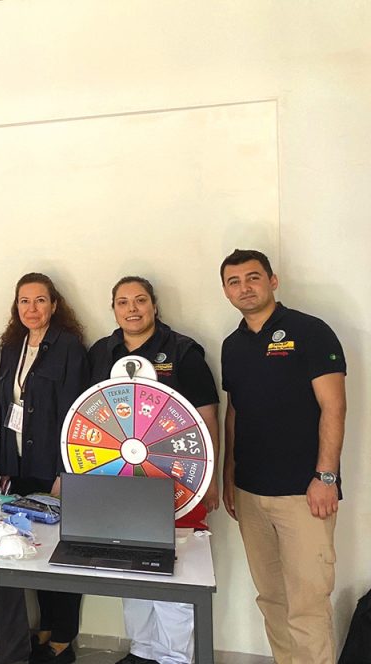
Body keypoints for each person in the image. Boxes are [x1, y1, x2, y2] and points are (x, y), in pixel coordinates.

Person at [220, 249, 346, 664]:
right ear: (226, 291)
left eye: (253, 277)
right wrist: (229, 477)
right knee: (272, 598)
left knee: (308, 604)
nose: (245, 287)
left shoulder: (311, 331)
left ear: (272, 281)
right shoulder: (232, 345)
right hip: (250, 492)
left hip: (303, 493)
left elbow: (334, 405)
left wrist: (326, 477)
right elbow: (234, 412)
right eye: (234, 281)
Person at [87, 276, 220, 664]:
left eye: (140, 300)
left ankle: (174, 658)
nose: (132, 309)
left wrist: (209, 478)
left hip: (177, 480)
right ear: (113, 309)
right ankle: (142, 652)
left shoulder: (183, 351)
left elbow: (208, 417)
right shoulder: (101, 352)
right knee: (130, 567)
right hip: (120, 480)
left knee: (175, 572)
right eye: (123, 302)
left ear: (154, 306)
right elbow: (89, 414)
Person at [0, 272, 88, 664]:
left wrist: (66, 472)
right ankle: (44, 628)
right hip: (19, 466)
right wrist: (4, 464)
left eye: (40, 300)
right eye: (24, 301)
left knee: (59, 554)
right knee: (28, 550)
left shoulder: (69, 348)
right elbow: (7, 409)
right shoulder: (12, 346)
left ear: (54, 304)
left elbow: (75, 414)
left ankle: (63, 636)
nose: (31, 309)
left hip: (53, 468)